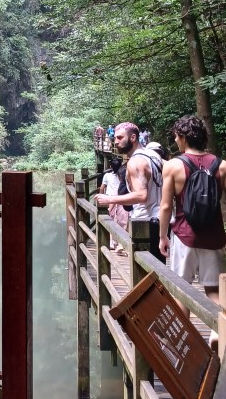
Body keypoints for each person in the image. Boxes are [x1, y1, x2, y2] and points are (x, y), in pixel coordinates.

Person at [159, 116, 226, 309]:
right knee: (214, 291)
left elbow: (166, 206)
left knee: (182, 291)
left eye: (176, 136)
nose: (175, 140)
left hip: (183, 235)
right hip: (214, 237)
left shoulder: (172, 166)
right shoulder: (222, 165)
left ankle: (185, 330)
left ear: (184, 137)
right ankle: (220, 326)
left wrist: (163, 237)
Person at [95, 121, 165, 261]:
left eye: (120, 137)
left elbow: (141, 195)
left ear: (133, 138)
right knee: (157, 267)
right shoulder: (153, 155)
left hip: (145, 223)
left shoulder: (135, 162)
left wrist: (109, 199)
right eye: (115, 138)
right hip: (161, 220)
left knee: (145, 269)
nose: (115, 141)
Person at [100, 156, 129, 248]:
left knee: (111, 220)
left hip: (110, 199)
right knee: (122, 221)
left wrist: (101, 197)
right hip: (122, 199)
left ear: (110, 166)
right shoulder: (123, 175)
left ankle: (112, 242)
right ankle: (121, 242)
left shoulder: (107, 175)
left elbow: (102, 188)